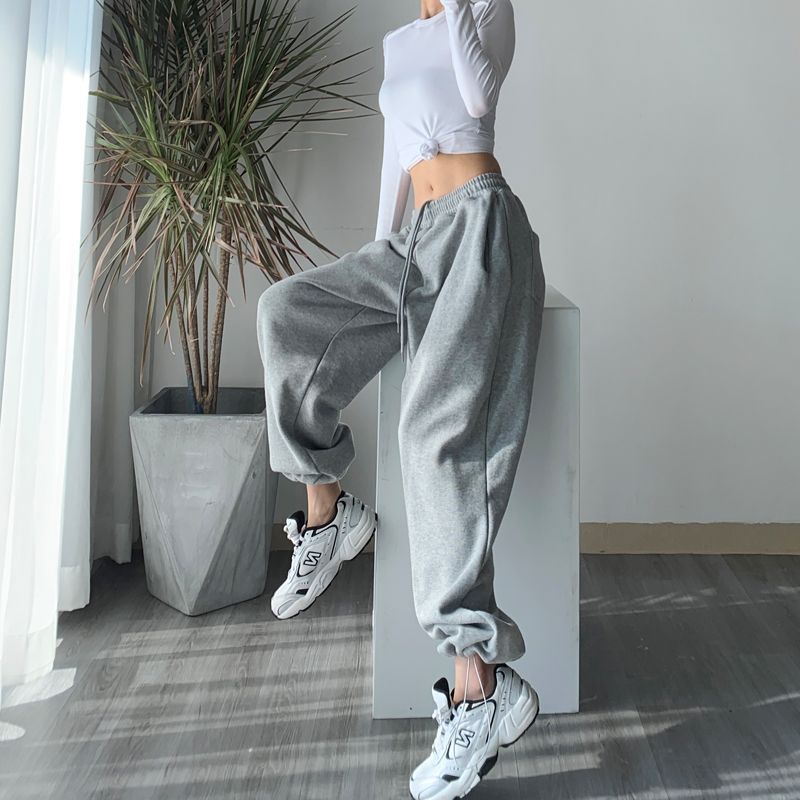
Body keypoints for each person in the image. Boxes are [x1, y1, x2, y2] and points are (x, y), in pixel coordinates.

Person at [256, 0, 546, 796]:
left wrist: (451, 10)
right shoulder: (400, 40)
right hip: (414, 242)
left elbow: (479, 98)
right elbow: (397, 158)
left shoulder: (483, 12)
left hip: (481, 228)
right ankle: (330, 514)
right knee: (286, 314)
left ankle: (480, 687)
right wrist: (375, 257)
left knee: (433, 435)